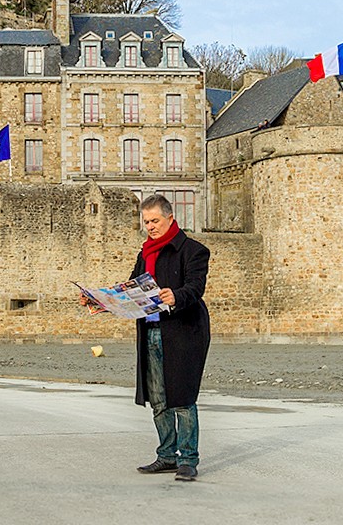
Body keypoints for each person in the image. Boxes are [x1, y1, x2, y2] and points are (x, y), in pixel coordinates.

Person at [131, 193, 211, 482]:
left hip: (184, 332)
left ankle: (188, 459)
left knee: (182, 397)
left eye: (155, 221)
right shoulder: (145, 254)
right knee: (158, 398)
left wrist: (175, 295)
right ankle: (166, 456)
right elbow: (131, 289)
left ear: (170, 218)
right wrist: (100, 302)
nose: (150, 226)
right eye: (146, 222)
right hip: (151, 332)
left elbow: (195, 288)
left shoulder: (193, 251)